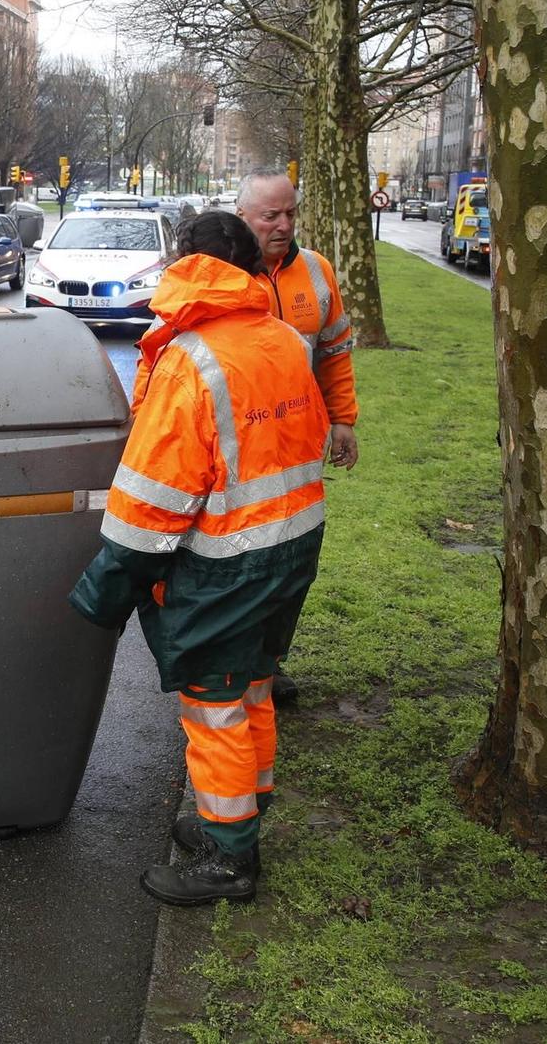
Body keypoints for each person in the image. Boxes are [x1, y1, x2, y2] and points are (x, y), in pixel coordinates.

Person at [68, 212, 329, 906]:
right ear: (247, 268)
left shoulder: (190, 359)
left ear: (184, 262)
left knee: (214, 704)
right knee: (254, 684)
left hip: (223, 562)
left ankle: (228, 858)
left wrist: (102, 591)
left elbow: (152, 500)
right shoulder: (281, 339)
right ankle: (240, 813)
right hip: (291, 546)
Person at [234, 168, 358, 708]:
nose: (283, 225)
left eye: (290, 213)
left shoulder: (316, 271)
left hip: (300, 450)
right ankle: (236, 658)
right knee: (240, 562)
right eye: (270, 216)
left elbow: (334, 352)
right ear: (243, 218)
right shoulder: (223, 274)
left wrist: (344, 419)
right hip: (242, 451)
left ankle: (270, 661)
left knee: (293, 564)